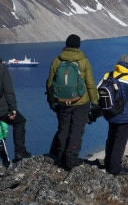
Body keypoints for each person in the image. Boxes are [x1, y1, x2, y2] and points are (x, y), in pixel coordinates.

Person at [47, 34, 100, 171]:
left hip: (63, 102)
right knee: (76, 130)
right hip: (81, 102)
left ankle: (60, 157)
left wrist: (54, 101)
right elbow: (90, 83)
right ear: (78, 46)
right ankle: (71, 159)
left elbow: (50, 84)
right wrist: (95, 101)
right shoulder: (83, 61)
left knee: (63, 129)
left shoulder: (57, 60)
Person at [0, 42, 31, 180]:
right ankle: (20, 152)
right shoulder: (1, 67)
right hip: (2, 109)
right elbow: (8, 90)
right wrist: (13, 108)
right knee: (20, 122)